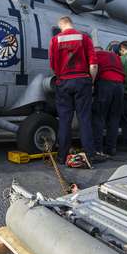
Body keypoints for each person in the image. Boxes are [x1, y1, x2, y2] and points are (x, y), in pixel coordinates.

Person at [49, 16, 102, 164]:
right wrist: (90, 82)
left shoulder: (55, 40)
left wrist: (61, 76)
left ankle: (61, 156)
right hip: (82, 80)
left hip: (64, 81)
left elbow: (53, 64)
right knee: (84, 119)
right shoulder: (84, 38)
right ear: (72, 24)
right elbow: (94, 65)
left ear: (61, 26)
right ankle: (90, 154)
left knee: (64, 120)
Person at [91, 46, 125, 156]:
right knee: (114, 118)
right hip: (119, 86)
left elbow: (93, 68)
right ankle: (111, 148)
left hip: (105, 84)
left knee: (99, 117)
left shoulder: (96, 55)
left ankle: (97, 149)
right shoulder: (115, 56)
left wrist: (92, 84)